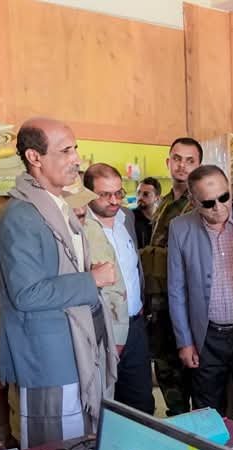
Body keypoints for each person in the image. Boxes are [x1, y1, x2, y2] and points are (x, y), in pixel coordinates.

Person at [0, 117, 117, 448]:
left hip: (78, 343)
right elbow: (26, 294)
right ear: (34, 157)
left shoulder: (59, 206)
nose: (76, 159)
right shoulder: (21, 214)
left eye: (75, 149)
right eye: (65, 151)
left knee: (84, 444)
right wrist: (91, 280)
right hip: (49, 355)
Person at [167, 165, 233, 428]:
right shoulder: (180, 228)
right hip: (207, 336)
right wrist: (185, 342)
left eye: (224, 198)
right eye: (208, 203)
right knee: (208, 412)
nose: (219, 207)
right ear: (193, 201)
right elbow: (176, 289)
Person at [83, 163, 155, 416]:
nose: (114, 201)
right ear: (88, 193)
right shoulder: (78, 225)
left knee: (142, 403)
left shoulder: (127, 217)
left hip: (135, 325)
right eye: (105, 195)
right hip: (102, 330)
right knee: (104, 405)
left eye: (118, 193)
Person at [142, 138, 202, 416]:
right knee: (168, 379)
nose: (182, 166)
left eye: (190, 161)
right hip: (159, 306)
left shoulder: (200, 204)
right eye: (177, 159)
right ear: (168, 162)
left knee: (197, 384)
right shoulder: (164, 202)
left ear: (199, 165)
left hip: (187, 307)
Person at [132, 177, 162, 249]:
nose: (140, 197)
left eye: (146, 194)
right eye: (138, 193)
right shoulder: (131, 218)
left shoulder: (162, 218)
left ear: (157, 197)